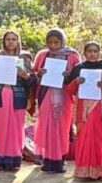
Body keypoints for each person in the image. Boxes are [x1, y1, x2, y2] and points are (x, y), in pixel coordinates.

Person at [66, 42, 102, 180]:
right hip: (83, 109)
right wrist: (76, 82)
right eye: (89, 51)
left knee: (100, 139)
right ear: (84, 53)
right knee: (84, 138)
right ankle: (83, 171)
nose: (92, 54)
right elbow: (69, 91)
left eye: (95, 51)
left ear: (99, 53)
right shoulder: (78, 68)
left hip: (101, 109)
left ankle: (99, 171)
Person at [32, 28, 82, 173]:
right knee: (47, 126)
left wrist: (69, 75)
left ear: (62, 42)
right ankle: (47, 159)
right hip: (46, 95)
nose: (53, 46)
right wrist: (39, 73)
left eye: (56, 42)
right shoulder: (42, 55)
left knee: (62, 127)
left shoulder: (72, 56)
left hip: (64, 96)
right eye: (50, 42)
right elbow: (33, 73)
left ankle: (60, 160)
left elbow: (79, 76)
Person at [0, 30, 34, 171]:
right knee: (0, 128)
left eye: (14, 39)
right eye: (8, 39)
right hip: (0, 96)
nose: (11, 42)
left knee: (16, 129)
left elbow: (32, 81)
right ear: (3, 41)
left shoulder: (24, 57)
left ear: (18, 41)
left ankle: (14, 161)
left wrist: (24, 75)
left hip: (18, 97)